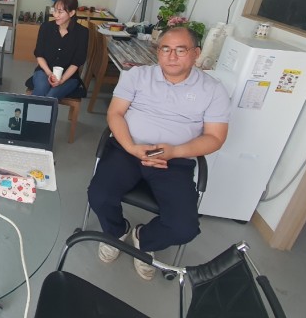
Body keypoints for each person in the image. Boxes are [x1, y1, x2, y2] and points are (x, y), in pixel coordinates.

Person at [87, 26, 230, 280]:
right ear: (158, 51)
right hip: (128, 150)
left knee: (184, 227)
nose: (171, 56)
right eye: (166, 49)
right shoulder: (137, 75)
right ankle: (116, 232)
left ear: (196, 53)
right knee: (98, 195)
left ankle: (144, 240)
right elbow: (115, 113)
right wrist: (131, 147)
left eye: (180, 50)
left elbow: (215, 138)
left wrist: (175, 151)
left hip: (174, 161)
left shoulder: (213, 90)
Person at [30, 0, 88, 98]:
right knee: (41, 89)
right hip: (45, 71)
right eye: (55, 10)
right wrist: (49, 73)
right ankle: (32, 109)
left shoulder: (82, 33)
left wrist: (61, 80)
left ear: (72, 13)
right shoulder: (46, 27)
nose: (55, 15)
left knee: (52, 95)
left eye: (60, 12)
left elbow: (76, 62)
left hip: (69, 77)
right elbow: (39, 54)